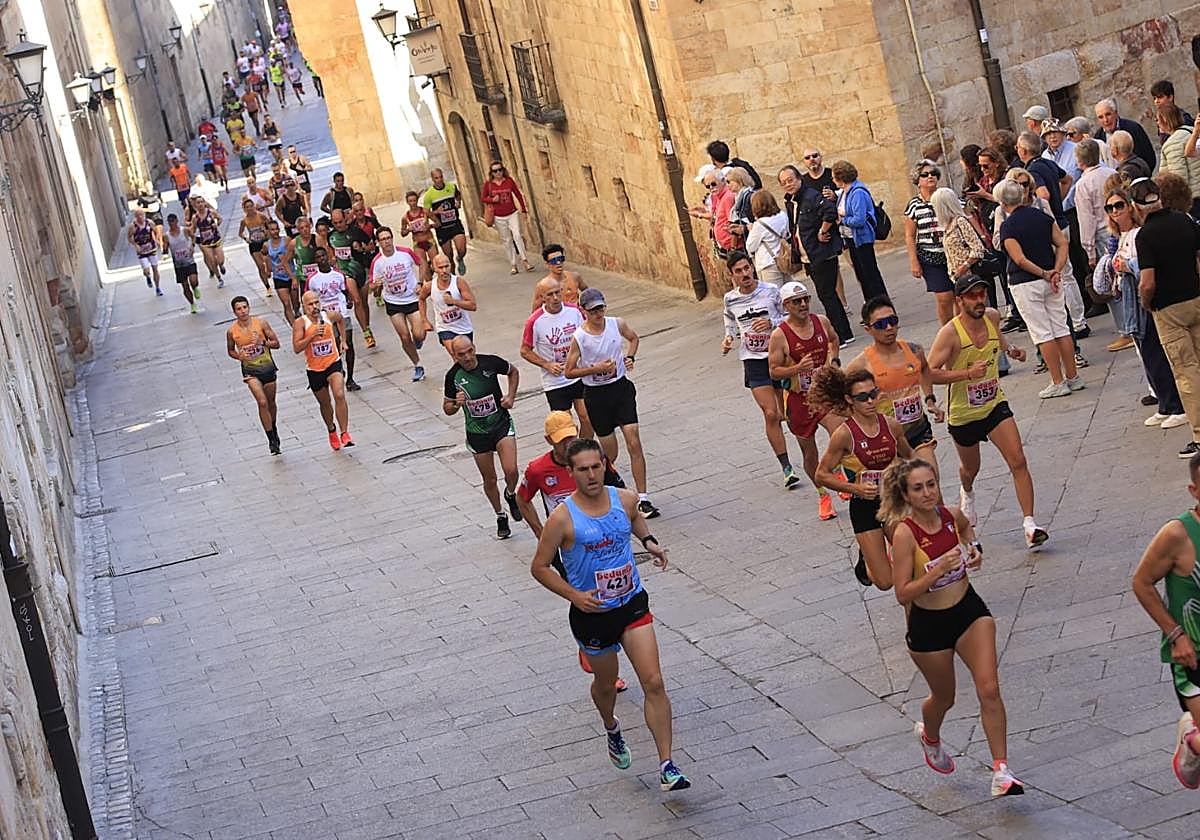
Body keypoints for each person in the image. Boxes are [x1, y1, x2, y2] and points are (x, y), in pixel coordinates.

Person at [529, 437, 690, 792]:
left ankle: (667, 764)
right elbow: (539, 567)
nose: (591, 475)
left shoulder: (625, 498)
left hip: (631, 603)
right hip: (592, 615)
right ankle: (611, 726)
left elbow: (633, 520)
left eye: (596, 466)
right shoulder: (561, 519)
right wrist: (574, 595)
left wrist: (649, 542)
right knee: (606, 685)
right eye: (583, 469)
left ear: (604, 465)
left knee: (654, 682)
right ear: (571, 473)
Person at [880, 458, 1024, 798]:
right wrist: (933, 572)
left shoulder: (949, 516)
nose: (928, 493)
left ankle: (1002, 771)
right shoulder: (904, 534)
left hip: (968, 611)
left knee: (989, 688)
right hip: (929, 626)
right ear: (905, 494)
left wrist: (974, 551)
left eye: (931, 484)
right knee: (944, 698)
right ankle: (930, 735)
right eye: (918, 488)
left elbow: (967, 531)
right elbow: (902, 594)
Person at [926, 275, 1048, 549]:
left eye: (982, 294)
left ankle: (1030, 524)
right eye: (972, 296)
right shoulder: (950, 333)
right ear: (959, 301)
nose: (980, 300)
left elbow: (999, 339)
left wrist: (1012, 350)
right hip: (964, 415)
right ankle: (966, 492)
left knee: (1018, 460)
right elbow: (928, 372)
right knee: (971, 469)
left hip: (994, 405)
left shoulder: (992, 317)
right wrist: (966, 374)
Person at [1132, 453, 1200, 789]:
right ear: (1194, 490)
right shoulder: (1178, 535)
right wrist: (1176, 635)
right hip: (1193, 657)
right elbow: (1141, 582)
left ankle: (1194, 739)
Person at [812, 366, 913, 589]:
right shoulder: (844, 434)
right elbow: (821, 474)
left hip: (892, 501)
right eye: (863, 397)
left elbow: (909, 456)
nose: (870, 401)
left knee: (912, 556)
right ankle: (866, 560)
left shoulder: (892, 425)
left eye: (873, 394)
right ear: (850, 400)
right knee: (885, 583)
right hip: (864, 506)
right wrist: (855, 489)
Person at [565, 288, 660, 519]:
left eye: (600, 308)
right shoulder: (580, 337)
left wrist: (630, 356)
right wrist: (595, 369)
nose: (598, 313)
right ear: (584, 311)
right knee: (609, 454)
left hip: (620, 389)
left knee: (634, 441)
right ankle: (606, 494)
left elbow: (634, 338)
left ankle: (643, 499)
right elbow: (569, 371)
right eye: (593, 310)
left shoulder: (616, 323)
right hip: (596, 396)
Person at [1097, 184, 1186, 426]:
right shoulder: (1118, 238)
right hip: (1129, 300)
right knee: (1145, 352)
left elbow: (1145, 268)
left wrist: (1128, 268)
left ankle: (1175, 405)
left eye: (1119, 206)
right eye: (1110, 207)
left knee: (1156, 352)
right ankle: (1165, 402)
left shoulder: (1140, 234)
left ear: (1131, 207)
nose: (1115, 211)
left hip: (1143, 299)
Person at [767, 280, 845, 520]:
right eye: (797, 301)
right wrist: (797, 369)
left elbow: (834, 339)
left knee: (842, 432)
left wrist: (833, 362)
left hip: (822, 394)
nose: (803, 305)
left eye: (806, 299)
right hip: (799, 400)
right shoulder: (780, 335)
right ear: (786, 305)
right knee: (809, 454)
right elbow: (773, 370)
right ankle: (823, 494)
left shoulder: (821, 321)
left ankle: (838, 471)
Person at [1135, 177, 1200, 459]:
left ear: (1137, 207)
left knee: (1186, 371)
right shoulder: (1184, 221)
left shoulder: (1145, 236)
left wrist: (1146, 302)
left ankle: (1199, 435)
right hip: (1195, 298)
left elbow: (1147, 281)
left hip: (1168, 309)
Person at [719, 251, 797, 486]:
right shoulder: (730, 299)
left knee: (789, 414)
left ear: (752, 267)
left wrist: (771, 323)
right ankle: (787, 468)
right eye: (739, 271)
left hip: (778, 357)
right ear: (731, 275)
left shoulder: (771, 291)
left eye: (747, 268)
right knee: (771, 413)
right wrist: (728, 338)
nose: (745, 274)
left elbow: (789, 317)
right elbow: (729, 319)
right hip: (753, 360)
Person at [845, 296, 944, 477]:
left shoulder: (915, 350)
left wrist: (930, 400)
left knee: (931, 484)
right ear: (868, 329)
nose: (889, 328)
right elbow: (846, 402)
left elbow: (925, 371)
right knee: (900, 497)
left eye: (893, 321)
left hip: (918, 431)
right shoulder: (860, 365)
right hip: (885, 441)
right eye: (881, 324)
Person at [442, 336, 523, 539]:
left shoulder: (490, 362)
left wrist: (511, 396)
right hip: (477, 432)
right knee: (490, 478)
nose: (468, 357)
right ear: (455, 356)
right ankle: (500, 514)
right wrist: (456, 404)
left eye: (470, 351)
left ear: (474, 348)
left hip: (500, 423)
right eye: (462, 354)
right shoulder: (453, 376)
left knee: (511, 470)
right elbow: (447, 408)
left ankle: (510, 494)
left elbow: (513, 371)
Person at [780, 166, 853, 345]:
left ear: (799, 179)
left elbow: (829, 212)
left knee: (827, 294)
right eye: (784, 182)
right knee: (827, 294)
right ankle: (844, 332)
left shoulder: (811, 196)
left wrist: (823, 231)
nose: (788, 185)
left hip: (821, 253)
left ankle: (840, 335)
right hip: (809, 256)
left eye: (791, 180)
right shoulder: (791, 201)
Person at [522, 277, 593, 437]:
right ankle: (572, 455)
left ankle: (583, 450)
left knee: (588, 418)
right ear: (542, 297)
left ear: (562, 291)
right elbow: (525, 351)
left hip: (578, 374)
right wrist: (547, 365)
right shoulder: (535, 321)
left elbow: (588, 334)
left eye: (557, 292)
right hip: (555, 382)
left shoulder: (574, 311)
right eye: (549, 294)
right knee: (565, 426)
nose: (555, 298)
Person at [292, 290, 352, 451]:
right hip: (315, 368)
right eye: (310, 304)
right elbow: (297, 348)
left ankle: (345, 433)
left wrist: (343, 341)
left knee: (339, 394)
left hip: (333, 362)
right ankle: (332, 430)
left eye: (316, 302)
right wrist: (310, 336)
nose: (314, 307)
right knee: (325, 403)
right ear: (304, 307)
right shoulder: (300, 323)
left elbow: (341, 319)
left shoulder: (328, 316)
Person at [226, 296, 282, 455]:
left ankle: (273, 427)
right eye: (239, 309)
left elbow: (276, 344)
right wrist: (239, 356)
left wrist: (262, 343)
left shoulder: (261, 324)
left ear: (249, 308)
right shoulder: (231, 331)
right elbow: (230, 350)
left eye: (245, 307)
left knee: (271, 402)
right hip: (250, 371)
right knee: (262, 402)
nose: (243, 311)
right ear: (234, 312)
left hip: (268, 368)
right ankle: (271, 439)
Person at [370, 226, 426, 382]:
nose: (387, 242)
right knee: (404, 336)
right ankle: (417, 365)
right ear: (378, 242)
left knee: (419, 334)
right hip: (393, 302)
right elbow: (373, 287)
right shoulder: (377, 262)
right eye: (383, 239)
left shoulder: (405, 252)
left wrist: (420, 282)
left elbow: (421, 263)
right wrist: (376, 286)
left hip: (411, 298)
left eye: (388, 238)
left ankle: (418, 340)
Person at [906, 160, 955, 324]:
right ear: (917, 180)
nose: (930, 177)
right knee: (944, 297)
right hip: (930, 257)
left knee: (960, 296)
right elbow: (910, 235)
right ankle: (948, 330)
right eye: (925, 174)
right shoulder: (914, 205)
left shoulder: (947, 197)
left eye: (933, 173)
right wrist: (914, 262)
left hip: (953, 254)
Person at [308, 245, 363, 391]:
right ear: (315, 261)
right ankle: (337, 370)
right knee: (335, 345)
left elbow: (344, 291)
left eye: (323, 256)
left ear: (328, 256)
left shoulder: (339, 275)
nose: (322, 259)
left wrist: (349, 301)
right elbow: (308, 298)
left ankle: (350, 378)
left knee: (349, 343)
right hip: (325, 317)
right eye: (318, 257)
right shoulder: (312, 280)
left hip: (342, 313)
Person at [832, 159, 888, 301]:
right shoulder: (845, 192)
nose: (832, 180)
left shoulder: (857, 192)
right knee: (862, 276)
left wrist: (842, 220)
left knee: (870, 275)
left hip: (862, 238)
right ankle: (872, 307)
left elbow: (859, 219)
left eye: (834, 177)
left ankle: (881, 305)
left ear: (841, 178)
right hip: (852, 239)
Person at [328, 208, 375, 348]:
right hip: (346, 273)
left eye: (340, 222)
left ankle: (367, 325)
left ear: (346, 219)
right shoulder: (331, 236)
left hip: (361, 269)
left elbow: (371, 245)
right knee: (357, 301)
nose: (338, 225)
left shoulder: (355, 231)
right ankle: (366, 333)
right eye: (335, 223)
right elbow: (331, 253)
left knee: (364, 303)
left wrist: (361, 249)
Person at [481, 161, 533, 274]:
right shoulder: (488, 185)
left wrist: (523, 209)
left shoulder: (509, 181)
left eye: (500, 170)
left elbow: (518, 195)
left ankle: (525, 261)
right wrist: (492, 200)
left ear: (503, 170)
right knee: (507, 240)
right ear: (492, 173)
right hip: (499, 216)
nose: (498, 172)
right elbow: (483, 198)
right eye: (495, 171)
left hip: (512, 213)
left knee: (517, 236)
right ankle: (513, 264)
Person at [421, 253, 476, 356]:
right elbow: (421, 299)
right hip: (445, 328)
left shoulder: (459, 283)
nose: (444, 271)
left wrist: (454, 301)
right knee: (456, 355)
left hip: (464, 327)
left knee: (468, 358)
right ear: (434, 268)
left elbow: (473, 306)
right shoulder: (429, 287)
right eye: (440, 267)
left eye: (446, 266)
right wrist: (424, 320)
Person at [421, 168, 469, 275]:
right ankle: (452, 280)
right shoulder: (429, 195)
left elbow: (458, 195)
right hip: (442, 228)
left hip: (455, 223)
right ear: (432, 179)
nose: (439, 180)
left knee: (462, 249)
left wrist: (458, 202)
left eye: (441, 177)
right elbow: (426, 212)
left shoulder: (451, 187)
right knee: (449, 258)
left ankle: (460, 258)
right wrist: (437, 211)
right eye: (436, 178)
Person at [1158, 104, 1200, 220]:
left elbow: (1178, 178)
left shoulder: (1172, 144)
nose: (1157, 124)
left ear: (1165, 120)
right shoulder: (1191, 131)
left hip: (1192, 199)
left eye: (1158, 120)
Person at [1095, 97, 1157, 171]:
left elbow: (1149, 158)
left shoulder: (1134, 129)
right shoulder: (1098, 137)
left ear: (1116, 113)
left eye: (1108, 114)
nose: (1105, 120)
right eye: (1100, 117)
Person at [745, 190, 791, 286]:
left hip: (768, 263)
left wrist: (751, 230)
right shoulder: (782, 215)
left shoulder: (760, 225)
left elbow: (750, 246)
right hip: (784, 257)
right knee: (787, 291)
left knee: (773, 294)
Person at [532, 243, 589, 310]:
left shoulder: (575, 277)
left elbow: (589, 293)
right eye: (554, 261)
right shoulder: (542, 286)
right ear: (547, 264)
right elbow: (535, 310)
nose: (558, 263)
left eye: (560, 259)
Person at [165, 213, 201, 314]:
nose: (172, 224)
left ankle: (195, 288)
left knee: (193, 280)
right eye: (170, 223)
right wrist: (165, 253)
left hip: (189, 260)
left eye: (174, 222)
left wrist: (192, 246)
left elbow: (193, 237)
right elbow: (165, 246)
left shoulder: (184, 230)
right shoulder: (167, 236)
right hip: (178, 264)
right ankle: (192, 304)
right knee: (185, 286)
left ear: (177, 221)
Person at [264, 219, 297, 323]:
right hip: (278, 277)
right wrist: (268, 269)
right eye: (272, 230)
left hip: (291, 275)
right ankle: (293, 326)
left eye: (276, 229)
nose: (275, 232)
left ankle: (297, 313)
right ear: (268, 231)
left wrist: (286, 258)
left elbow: (293, 254)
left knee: (296, 304)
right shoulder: (266, 245)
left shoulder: (286, 240)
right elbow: (266, 256)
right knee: (286, 303)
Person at [238, 197, 273, 295]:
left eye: (251, 206)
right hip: (253, 244)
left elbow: (270, 226)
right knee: (260, 266)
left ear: (254, 206)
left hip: (264, 242)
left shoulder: (261, 216)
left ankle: (268, 270)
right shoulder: (244, 221)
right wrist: (246, 238)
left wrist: (267, 234)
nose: (249, 208)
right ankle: (267, 287)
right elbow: (240, 233)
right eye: (247, 207)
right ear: (244, 209)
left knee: (267, 263)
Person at [189, 195, 226, 286]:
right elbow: (193, 230)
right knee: (212, 261)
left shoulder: (211, 212)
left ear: (205, 203)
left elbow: (220, 219)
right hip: (205, 242)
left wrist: (217, 224)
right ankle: (219, 278)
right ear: (196, 205)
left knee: (220, 260)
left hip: (215, 238)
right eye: (198, 203)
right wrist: (192, 242)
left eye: (202, 202)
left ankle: (221, 265)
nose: (200, 204)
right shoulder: (195, 217)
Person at [401, 190, 435, 281]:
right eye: (410, 201)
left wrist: (429, 226)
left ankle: (431, 268)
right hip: (418, 244)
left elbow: (438, 223)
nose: (412, 203)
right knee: (425, 272)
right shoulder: (405, 217)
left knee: (436, 265)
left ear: (417, 200)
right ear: (407, 202)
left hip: (429, 240)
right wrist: (408, 230)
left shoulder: (425, 212)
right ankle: (432, 290)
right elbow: (402, 233)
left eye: (414, 200)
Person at [128, 208, 163, 296]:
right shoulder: (133, 226)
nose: (140, 217)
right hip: (142, 251)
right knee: (146, 270)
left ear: (144, 215)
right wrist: (136, 245)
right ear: (135, 217)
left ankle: (158, 288)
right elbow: (129, 237)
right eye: (138, 215)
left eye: (142, 215)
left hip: (151, 248)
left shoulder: (149, 223)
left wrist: (157, 240)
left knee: (155, 268)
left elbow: (156, 231)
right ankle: (147, 277)